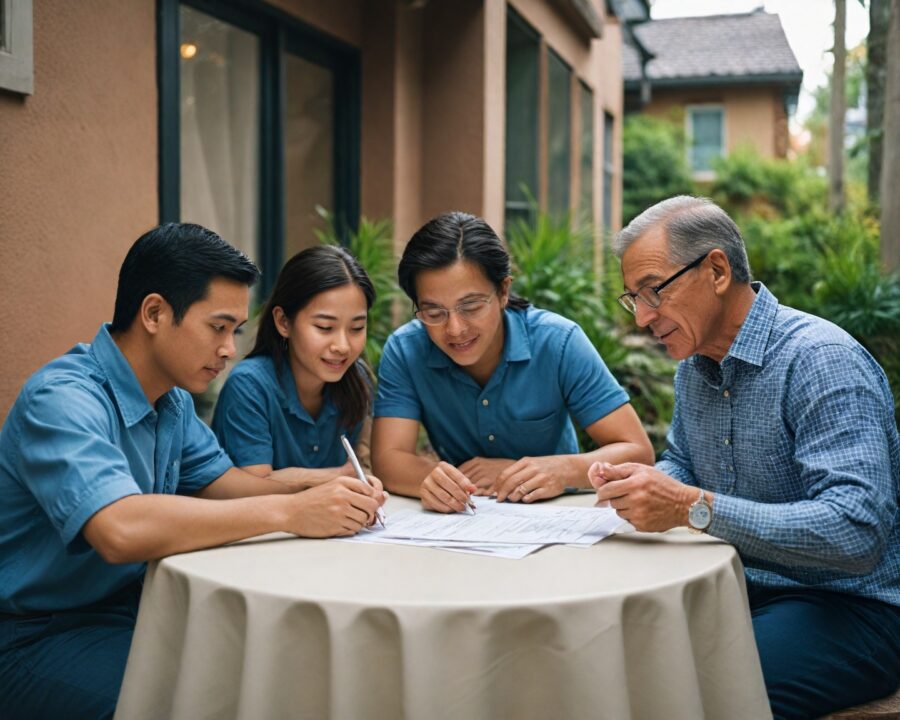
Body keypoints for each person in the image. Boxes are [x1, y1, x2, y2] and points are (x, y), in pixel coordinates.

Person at [0, 223, 385, 720]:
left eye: (236, 331)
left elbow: (226, 487)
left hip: (140, 607)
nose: (229, 349)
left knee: (291, 678)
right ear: (155, 313)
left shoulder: (172, 402)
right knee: (205, 703)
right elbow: (119, 528)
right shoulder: (63, 399)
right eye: (218, 327)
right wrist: (291, 510)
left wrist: (324, 482)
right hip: (34, 633)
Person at [590, 196, 900, 719]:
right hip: (732, 587)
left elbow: (857, 530)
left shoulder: (821, 361)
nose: (643, 317)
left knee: (703, 691)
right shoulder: (694, 367)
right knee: (606, 656)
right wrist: (645, 483)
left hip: (854, 606)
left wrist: (692, 506)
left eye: (653, 292)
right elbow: (682, 464)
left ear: (715, 269)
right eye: (633, 299)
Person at [371, 211, 653, 513]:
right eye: (434, 313)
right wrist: (439, 481)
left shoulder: (558, 341)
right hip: (463, 520)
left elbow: (638, 452)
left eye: (471, 306)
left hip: (559, 520)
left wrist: (559, 470)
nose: (455, 329)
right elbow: (389, 458)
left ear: (504, 290)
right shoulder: (406, 349)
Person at [212, 245, 375, 484]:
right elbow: (254, 485)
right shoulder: (250, 385)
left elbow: (361, 466)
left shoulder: (357, 379)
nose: (343, 345)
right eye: (324, 328)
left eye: (357, 328)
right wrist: (339, 476)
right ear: (283, 322)